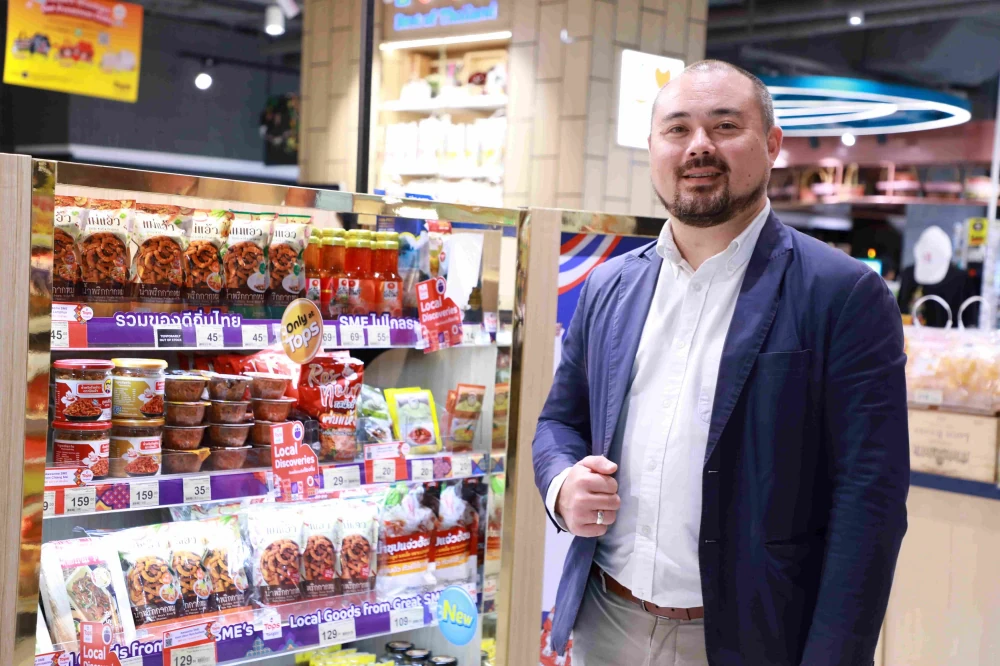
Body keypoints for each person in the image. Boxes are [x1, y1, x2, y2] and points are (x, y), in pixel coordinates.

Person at [532, 60, 909, 666]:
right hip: (605, 619)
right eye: (677, 129)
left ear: (773, 144)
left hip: (751, 637)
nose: (699, 146)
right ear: (652, 148)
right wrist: (560, 485)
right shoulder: (609, 286)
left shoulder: (841, 294)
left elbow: (870, 504)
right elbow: (559, 421)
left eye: (726, 125)